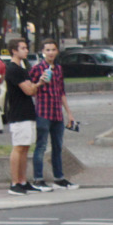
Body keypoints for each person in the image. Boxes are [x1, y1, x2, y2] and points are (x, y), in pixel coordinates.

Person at [28, 39, 77, 191]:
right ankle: (38, 178)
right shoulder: (37, 69)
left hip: (56, 113)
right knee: (41, 146)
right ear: (43, 52)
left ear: (57, 51)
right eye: (47, 50)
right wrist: (39, 82)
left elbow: (61, 92)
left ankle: (59, 178)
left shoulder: (58, 69)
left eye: (53, 50)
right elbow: (30, 89)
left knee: (58, 146)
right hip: (43, 111)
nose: (50, 53)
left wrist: (69, 113)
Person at [3, 38, 48, 196]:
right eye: (22, 48)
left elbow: (32, 89)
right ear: (14, 50)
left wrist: (37, 84)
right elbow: (29, 91)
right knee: (18, 147)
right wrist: (37, 84)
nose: (26, 50)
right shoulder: (13, 69)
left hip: (27, 112)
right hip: (18, 113)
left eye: (26, 48)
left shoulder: (22, 68)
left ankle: (23, 180)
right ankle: (15, 182)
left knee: (25, 147)